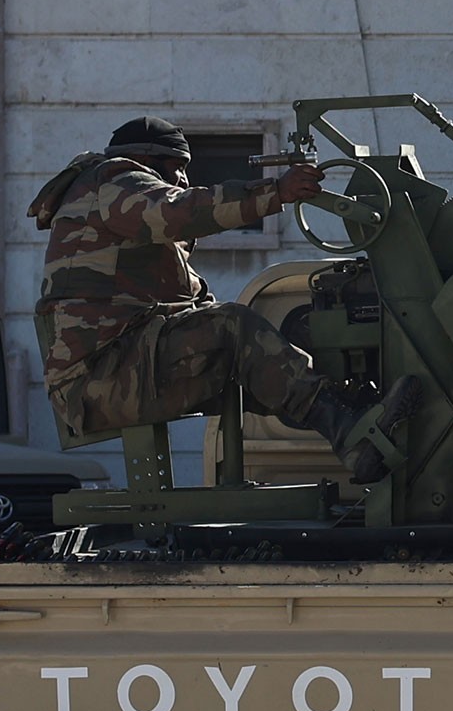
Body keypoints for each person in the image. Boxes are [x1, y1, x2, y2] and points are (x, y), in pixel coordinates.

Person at [28, 115, 408, 476]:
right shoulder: (112, 183)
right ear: (144, 160)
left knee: (257, 347)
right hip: (100, 379)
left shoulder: (116, 211)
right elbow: (178, 211)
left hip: (118, 367)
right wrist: (274, 192)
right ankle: (354, 437)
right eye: (176, 167)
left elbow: (189, 302)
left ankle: (356, 412)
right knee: (233, 328)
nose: (182, 178)